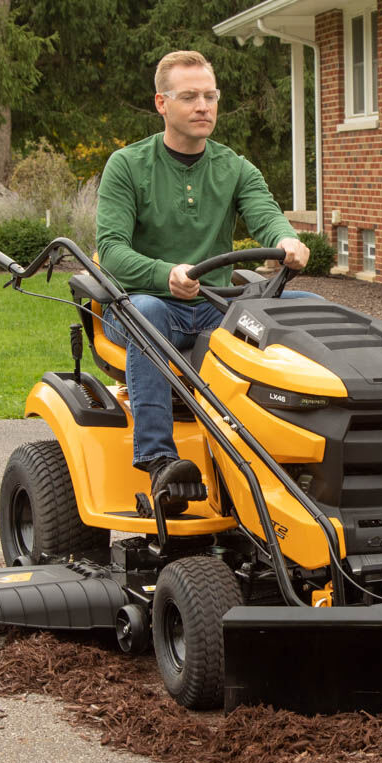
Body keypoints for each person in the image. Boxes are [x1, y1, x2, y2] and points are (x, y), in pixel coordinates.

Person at [96, 49, 311, 513]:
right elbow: (110, 251)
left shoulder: (234, 167)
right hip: (142, 305)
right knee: (149, 314)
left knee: (306, 305)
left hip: (216, 305)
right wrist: (163, 274)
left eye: (210, 96)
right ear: (162, 103)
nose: (203, 107)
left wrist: (287, 240)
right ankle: (158, 462)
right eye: (189, 96)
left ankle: (299, 450)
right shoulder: (128, 166)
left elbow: (266, 217)